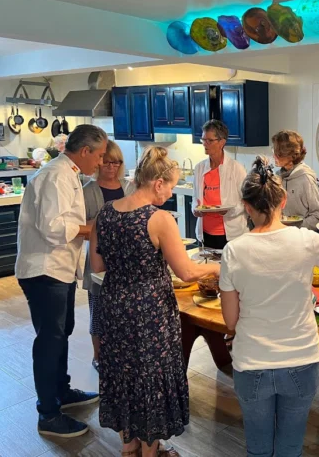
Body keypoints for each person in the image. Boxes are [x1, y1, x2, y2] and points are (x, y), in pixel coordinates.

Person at [90, 146, 219, 457]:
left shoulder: (104, 213)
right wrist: (217, 266)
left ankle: (128, 447)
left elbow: (97, 266)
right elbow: (187, 272)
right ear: (157, 183)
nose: (172, 191)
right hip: (149, 313)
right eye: (172, 185)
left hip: (113, 306)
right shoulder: (159, 219)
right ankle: (151, 451)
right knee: (149, 378)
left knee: (123, 373)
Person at [219, 156, 319, 457]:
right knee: (290, 448)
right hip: (301, 361)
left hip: (252, 363)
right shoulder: (307, 241)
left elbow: (230, 321)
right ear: (284, 200)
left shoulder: (234, 251)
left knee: (258, 449)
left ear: (247, 207)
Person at [15, 124, 107, 437]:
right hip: (44, 271)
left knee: (62, 332)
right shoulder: (55, 176)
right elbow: (52, 227)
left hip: (58, 269)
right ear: (85, 152)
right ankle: (48, 414)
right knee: (49, 340)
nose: (100, 162)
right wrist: (92, 228)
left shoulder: (68, 174)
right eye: (98, 156)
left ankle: (61, 391)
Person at [82, 140, 134, 372]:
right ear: (99, 162)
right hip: (98, 259)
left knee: (125, 312)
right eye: (107, 161)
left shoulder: (130, 187)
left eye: (117, 162)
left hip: (127, 261)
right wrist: (101, 226)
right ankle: (99, 356)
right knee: (99, 311)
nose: (112, 167)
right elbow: (78, 227)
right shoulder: (87, 191)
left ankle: (124, 354)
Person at [192, 120, 248, 249]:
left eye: (209, 141)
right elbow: (196, 197)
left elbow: (246, 202)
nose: (205, 144)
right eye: (203, 140)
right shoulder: (200, 168)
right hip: (205, 232)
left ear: (222, 142)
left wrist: (228, 211)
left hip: (231, 234)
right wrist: (195, 209)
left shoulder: (236, 168)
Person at [272, 130, 319, 229]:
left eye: (278, 153)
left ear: (290, 156)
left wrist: (294, 230)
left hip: (301, 240)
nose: (274, 156)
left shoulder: (306, 179)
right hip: (282, 237)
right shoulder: (277, 176)